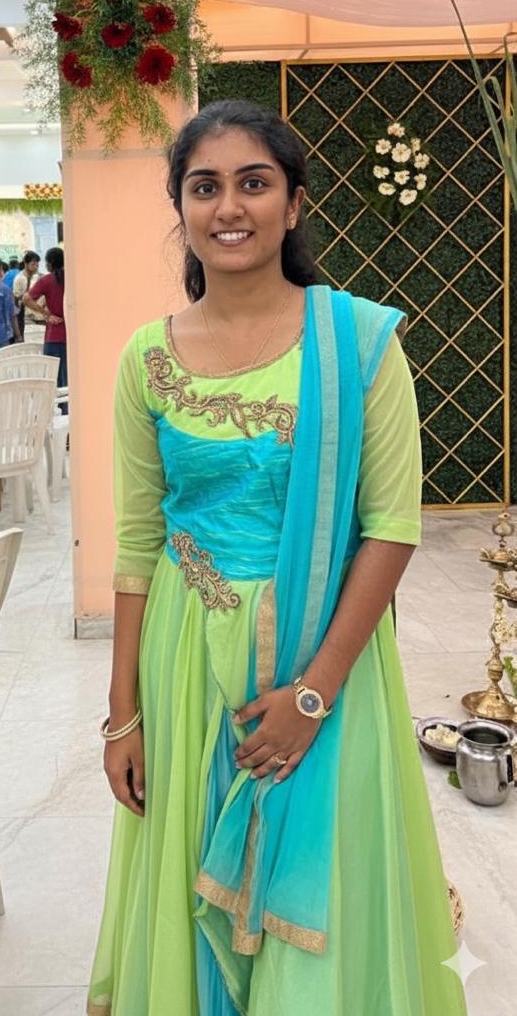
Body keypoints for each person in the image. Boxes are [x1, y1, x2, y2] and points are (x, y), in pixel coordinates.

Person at [87, 100, 466, 1016]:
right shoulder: (145, 358)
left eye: (253, 183)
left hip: (325, 662)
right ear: (180, 208)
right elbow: (137, 544)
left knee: (313, 894)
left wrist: (311, 696)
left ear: (293, 204)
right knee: (189, 873)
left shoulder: (360, 346)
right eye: (204, 186)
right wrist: (122, 715)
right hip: (185, 658)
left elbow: (390, 527)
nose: (229, 207)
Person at [28, 247, 66, 388]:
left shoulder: (45, 281)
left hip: (53, 336)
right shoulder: (73, 279)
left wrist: (46, 314)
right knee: (69, 383)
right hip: (71, 337)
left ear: (49, 264)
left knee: (52, 381)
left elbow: (26, 299)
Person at [13, 250, 41, 339]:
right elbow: (16, 298)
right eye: (33, 264)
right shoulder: (20, 278)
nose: (36, 267)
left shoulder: (38, 276)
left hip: (39, 314)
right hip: (26, 316)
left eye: (37, 265)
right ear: (26, 264)